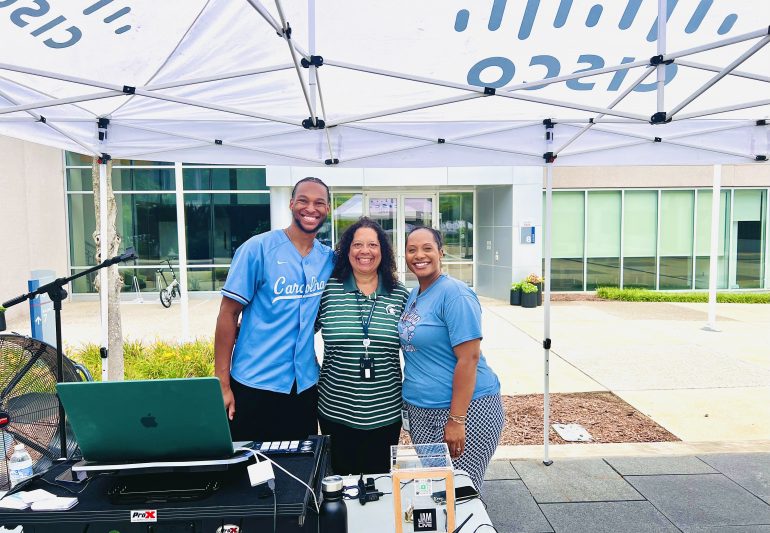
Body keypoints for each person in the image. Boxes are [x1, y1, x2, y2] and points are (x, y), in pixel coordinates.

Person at [214, 177, 334, 442]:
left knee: (295, 471)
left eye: (319, 203)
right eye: (303, 200)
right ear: (291, 204)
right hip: (253, 384)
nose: (310, 208)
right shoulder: (258, 249)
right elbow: (228, 314)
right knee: (248, 471)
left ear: (327, 209)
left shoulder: (328, 260)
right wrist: (222, 384)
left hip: (302, 387)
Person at [398, 226, 503, 491]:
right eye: (412, 250)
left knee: (461, 492)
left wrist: (457, 420)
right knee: (436, 490)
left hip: (466, 409)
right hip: (422, 411)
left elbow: (469, 358)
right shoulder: (414, 296)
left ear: (441, 253)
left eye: (427, 248)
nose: (419, 255)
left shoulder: (455, 294)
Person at [316, 217, 409, 475]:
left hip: (385, 412)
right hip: (336, 410)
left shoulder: (400, 294)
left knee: (379, 483)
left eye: (372, 244)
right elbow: (298, 332)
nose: (365, 251)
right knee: (342, 484)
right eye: (357, 244)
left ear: (383, 251)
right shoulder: (328, 290)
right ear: (347, 250)